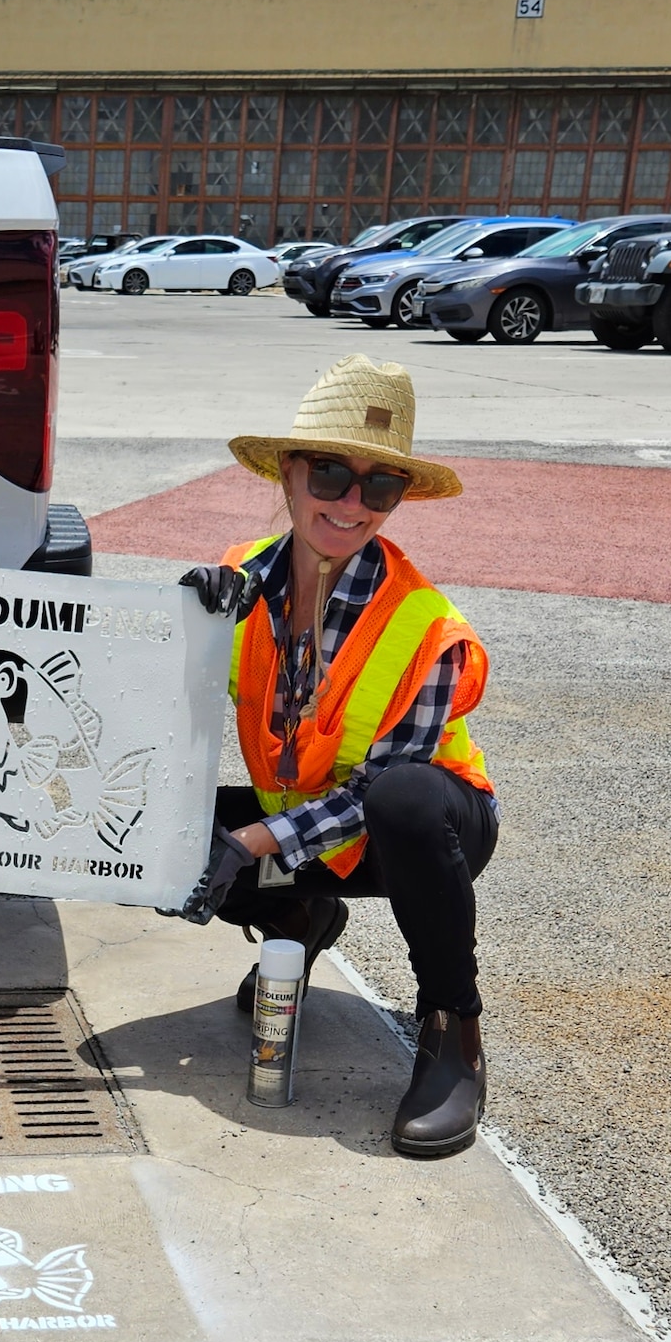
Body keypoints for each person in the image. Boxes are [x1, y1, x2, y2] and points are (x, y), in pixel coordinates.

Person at [180, 353, 497, 1158]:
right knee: (148, 826)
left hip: (420, 835)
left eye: (378, 486)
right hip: (307, 825)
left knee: (405, 800)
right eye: (329, 473)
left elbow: (381, 788)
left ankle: (451, 1029)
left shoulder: (427, 626)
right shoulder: (233, 584)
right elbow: (148, 723)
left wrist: (250, 843)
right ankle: (297, 914)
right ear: (285, 475)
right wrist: (176, 629)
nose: (352, 503)